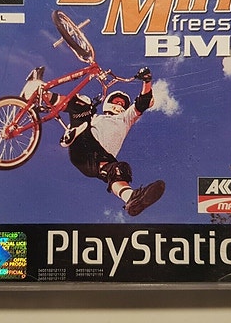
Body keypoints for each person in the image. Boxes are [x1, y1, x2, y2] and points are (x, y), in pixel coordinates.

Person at [22, 66, 164, 216]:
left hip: (95, 161)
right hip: (84, 146)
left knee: (118, 169)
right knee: (83, 104)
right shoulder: (95, 117)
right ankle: (39, 94)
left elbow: (143, 102)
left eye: (122, 104)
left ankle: (131, 198)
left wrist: (147, 80)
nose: (119, 105)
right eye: (116, 102)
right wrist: (69, 135)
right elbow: (69, 133)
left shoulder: (125, 118)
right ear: (109, 102)